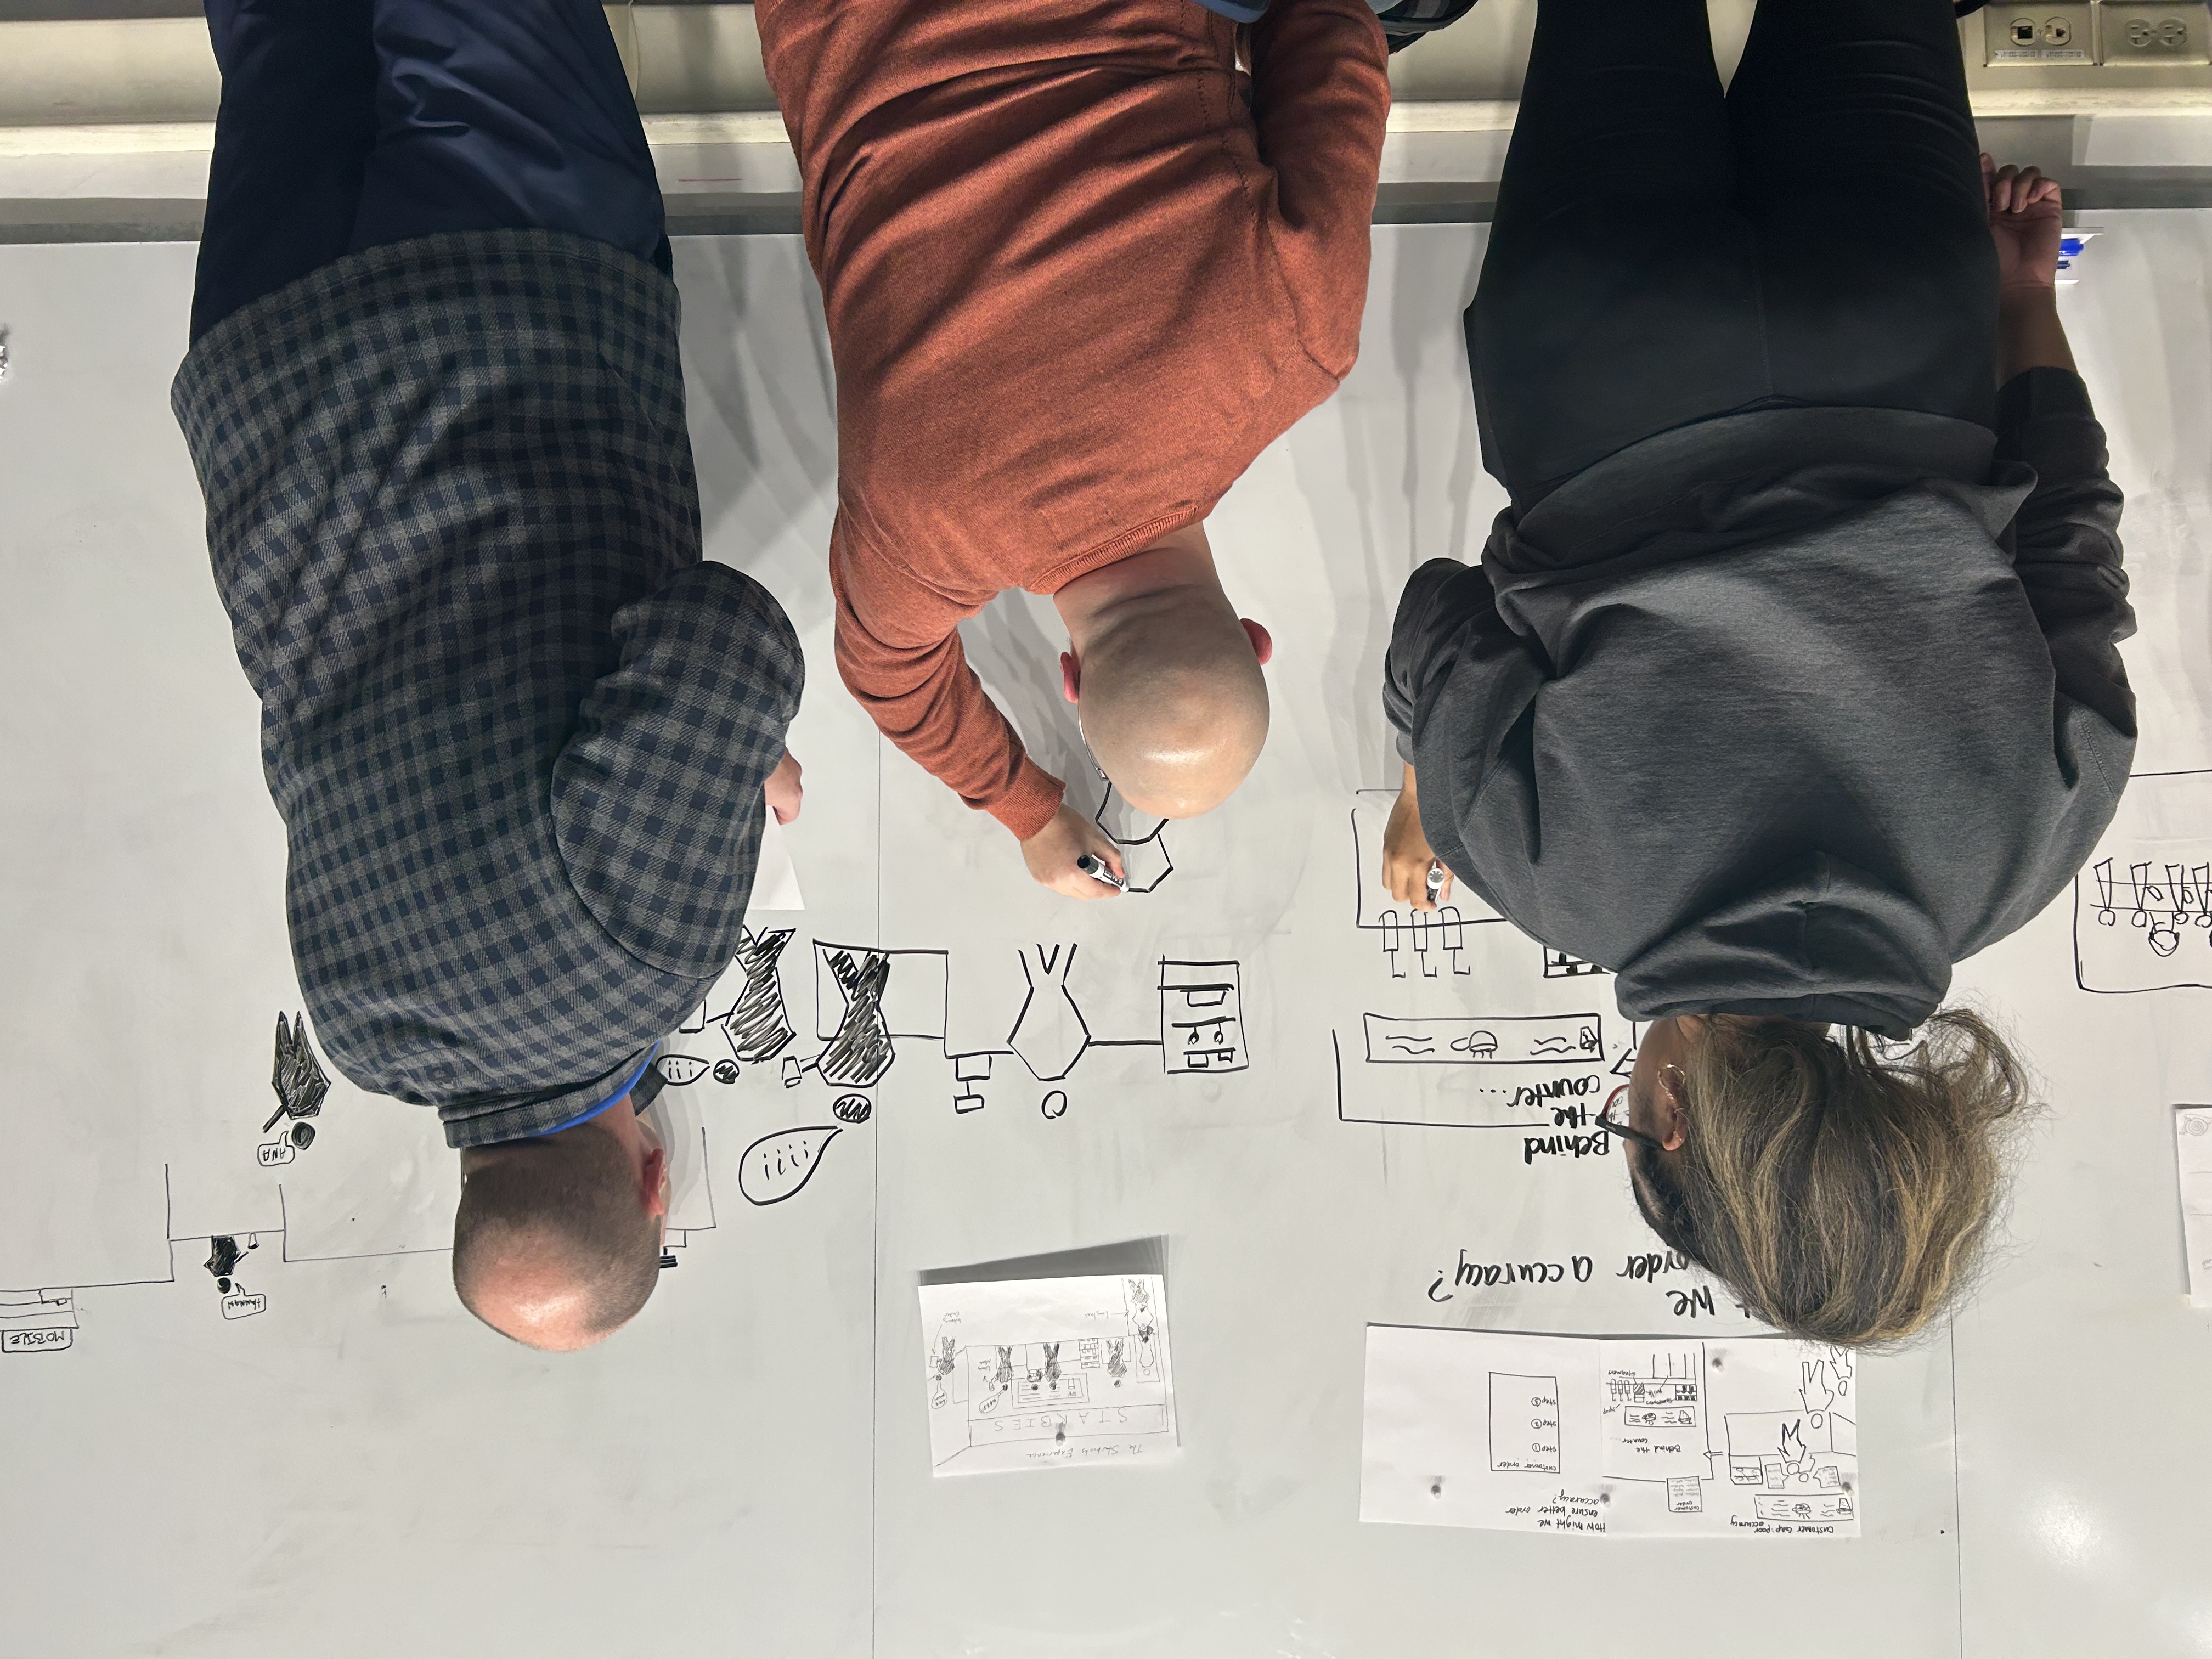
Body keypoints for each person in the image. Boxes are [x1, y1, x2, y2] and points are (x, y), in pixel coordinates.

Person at [1378, 0, 2132, 1345]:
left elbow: (2071, 551)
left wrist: (2022, 300)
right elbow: (1437, 619)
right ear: (1677, 1119)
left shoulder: (2026, 860)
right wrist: (1423, 783)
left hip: (1899, 319)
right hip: (1609, 347)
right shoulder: (1559, 885)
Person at [172, 0, 805, 1350]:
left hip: (502, 311)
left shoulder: (644, 968)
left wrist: (742, 750)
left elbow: (727, 639)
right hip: (266, 380)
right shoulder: (358, 1031)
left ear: (653, 1180)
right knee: (286, 33)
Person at [755, 0, 1390, 898]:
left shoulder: (1301, 343)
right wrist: (1027, 810)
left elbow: (1332, 37)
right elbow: (886, 677)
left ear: (1256, 639)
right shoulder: (921, 534)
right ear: (1069, 680)